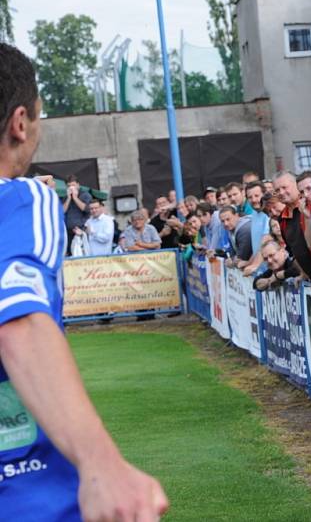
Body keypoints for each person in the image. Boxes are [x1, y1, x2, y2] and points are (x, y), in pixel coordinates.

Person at [0, 41, 168, 521]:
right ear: (20, 123)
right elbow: (18, 321)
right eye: (39, 115)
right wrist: (102, 463)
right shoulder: (22, 200)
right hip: (25, 493)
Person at [273, 172, 311, 281]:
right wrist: (303, 273)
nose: (281, 192)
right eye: (277, 190)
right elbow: (292, 250)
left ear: (296, 186)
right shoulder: (282, 218)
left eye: (284, 187)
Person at [62, 174, 91, 255]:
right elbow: (62, 211)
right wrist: (68, 198)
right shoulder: (66, 197)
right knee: (70, 253)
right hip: (69, 231)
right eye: (69, 186)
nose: (71, 188)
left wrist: (75, 198)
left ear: (78, 184)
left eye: (73, 185)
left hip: (81, 230)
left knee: (82, 254)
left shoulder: (85, 195)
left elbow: (86, 209)